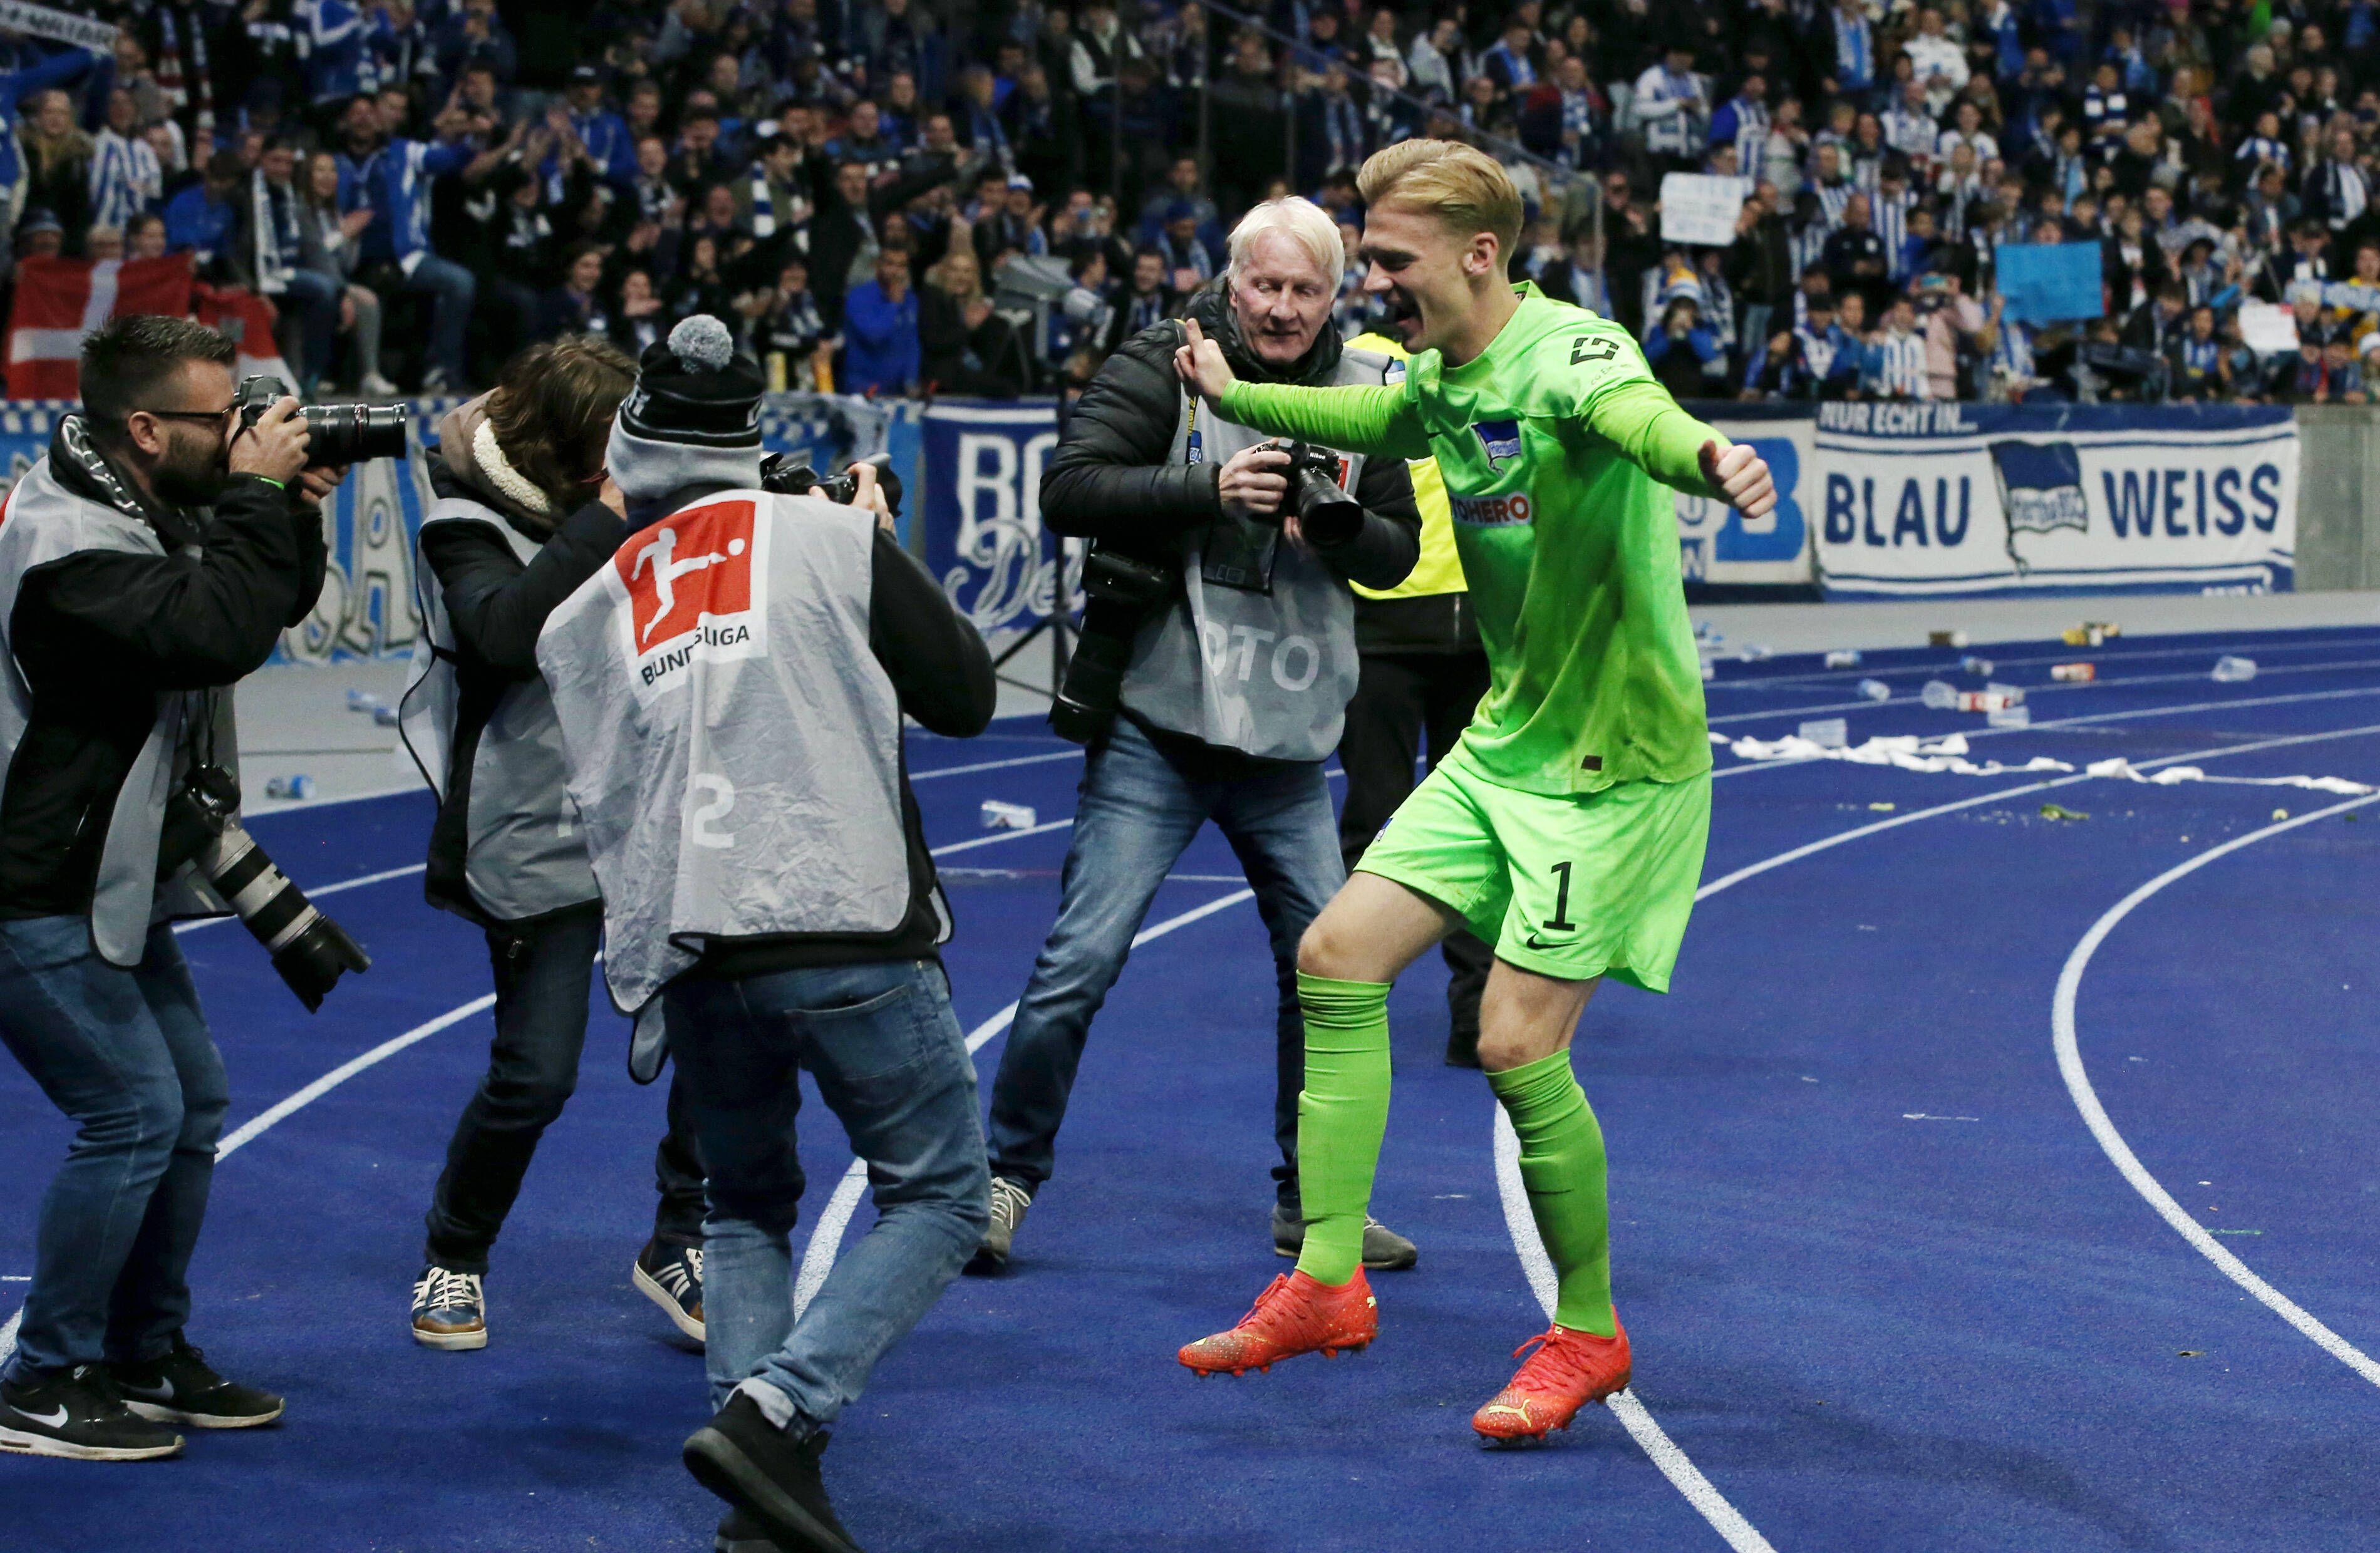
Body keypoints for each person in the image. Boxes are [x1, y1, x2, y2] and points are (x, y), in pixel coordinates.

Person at [1171, 140, 1773, 1442]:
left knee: (1511, 1041)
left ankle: (1590, 1329)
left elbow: (1640, 422)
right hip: (1506, 742)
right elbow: (1373, 419)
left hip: (1613, 768)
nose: (1372, 282)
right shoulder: (1442, 376)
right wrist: (1238, 392)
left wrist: (1707, 455)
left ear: (1478, 254)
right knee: (1335, 955)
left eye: (1389, 260)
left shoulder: (1576, 353)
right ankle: (1327, 1284)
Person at [536, 316, 995, 1553]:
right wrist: (875, 553)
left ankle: (756, 1502)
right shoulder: (828, 536)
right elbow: (964, 692)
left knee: (743, 1203)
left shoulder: (600, 597)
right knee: (945, 1191)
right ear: (753, 438)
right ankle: (779, 1411)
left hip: (690, 938)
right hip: (837, 908)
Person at [971, 197, 1423, 1276]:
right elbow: (1069, 489)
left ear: (1336, 296)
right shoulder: (1162, 359)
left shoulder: (1372, 391)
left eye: (1304, 290)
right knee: (1080, 959)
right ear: (1230, 282)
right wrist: (1205, 488)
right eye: (1263, 285)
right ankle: (998, 1179)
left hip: (1288, 739)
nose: (1280, 307)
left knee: (1333, 971)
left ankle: (1316, 1201)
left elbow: (1397, 554)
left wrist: (1340, 521)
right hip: (1159, 725)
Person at [0, 315, 340, 1460]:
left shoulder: (141, 505)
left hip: (103, 872)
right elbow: (214, 633)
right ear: (145, 429)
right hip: (29, 884)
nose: (239, 429)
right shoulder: (68, 545)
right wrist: (254, 500)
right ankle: (40, 1377)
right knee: (134, 1109)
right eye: (215, 418)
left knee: (186, 1100)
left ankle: (140, 1352)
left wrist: (287, 509)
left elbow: (270, 603)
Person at [395, 336, 714, 1352]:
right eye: (610, 453)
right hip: (531, 833)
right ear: (567, 456)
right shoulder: (463, 521)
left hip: (658, 824)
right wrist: (609, 520)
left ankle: (681, 1238)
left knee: (722, 1037)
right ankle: (455, 1252)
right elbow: (504, 633)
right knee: (535, 1076)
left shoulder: (645, 503)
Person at [1336, 329, 1493, 1068]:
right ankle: (1345, 998)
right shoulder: (1359, 357)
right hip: (1382, 625)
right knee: (1372, 818)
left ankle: (1476, 1015)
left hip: (1484, 626)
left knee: (1478, 831)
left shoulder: (1500, 352)